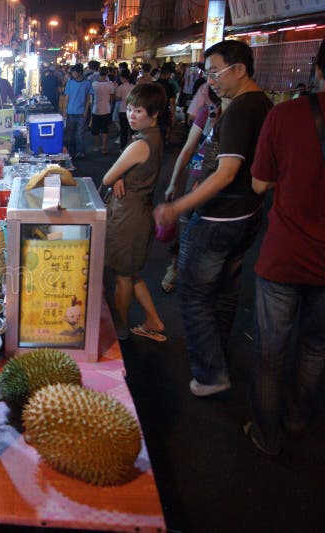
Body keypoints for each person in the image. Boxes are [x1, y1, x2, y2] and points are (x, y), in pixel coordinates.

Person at [154, 40, 273, 397]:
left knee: (193, 294)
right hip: (247, 215)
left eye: (215, 72)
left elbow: (225, 173)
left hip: (219, 219)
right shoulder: (261, 104)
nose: (210, 81)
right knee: (223, 292)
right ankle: (218, 357)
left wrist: (177, 206)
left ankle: (209, 373)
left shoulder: (240, 110)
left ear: (239, 69)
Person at [243, 38, 325, 456]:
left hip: (286, 254)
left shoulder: (288, 115)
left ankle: (266, 434)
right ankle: (297, 418)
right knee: (315, 347)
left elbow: (259, 183)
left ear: (317, 69)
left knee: (271, 349)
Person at [101, 84, 167, 342]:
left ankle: (119, 329)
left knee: (123, 276)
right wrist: (123, 177)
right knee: (129, 271)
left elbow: (107, 177)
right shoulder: (155, 136)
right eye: (129, 109)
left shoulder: (140, 144)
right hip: (139, 211)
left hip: (128, 216)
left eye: (138, 110)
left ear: (154, 114)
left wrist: (118, 177)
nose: (131, 115)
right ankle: (154, 320)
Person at [161, 87, 226, 294]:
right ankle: (175, 267)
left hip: (225, 183)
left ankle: (202, 277)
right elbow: (188, 149)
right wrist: (173, 182)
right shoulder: (207, 113)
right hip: (198, 175)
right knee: (186, 222)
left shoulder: (242, 115)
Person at [63, 63, 93, 160]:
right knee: (70, 134)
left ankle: (80, 152)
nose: (72, 74)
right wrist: (65, 110)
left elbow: (89, 99)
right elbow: (66, 97)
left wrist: (86, 111)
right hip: (71, 112)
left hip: (81, 113)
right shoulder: (70, 83)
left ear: (79, 72)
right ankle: (71, 152)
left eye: (74, 72)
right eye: (72, 72)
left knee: (80, 134)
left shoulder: (87, 83)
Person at [90, 66, 115, 155]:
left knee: (95, 130)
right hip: (106, 109)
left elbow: (92, 98)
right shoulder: (110, 84)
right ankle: (104, 147)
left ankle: (97, 146)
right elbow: (112, 98)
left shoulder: (94, 84)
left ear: (99, 73)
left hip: (96, 109)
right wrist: (111, 107)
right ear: (107, 73)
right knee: (105, 129)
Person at [154, 63, 178, 143]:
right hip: (164, 114)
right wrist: (173, 116)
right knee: (162, 137)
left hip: (153, 113)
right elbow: (172, 103)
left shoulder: (153, 84)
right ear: (168, 74)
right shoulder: (170, 86)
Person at [115, 70, 135, 150]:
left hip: (123, 109)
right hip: (132, 110)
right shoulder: (134, 86)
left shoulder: (121, 87)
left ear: (122, 78)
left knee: (124, 130)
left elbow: (117, 98)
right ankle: (134, 147)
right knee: (133, 130)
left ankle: (123, 147)